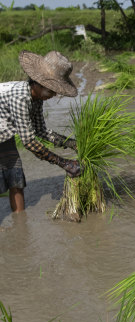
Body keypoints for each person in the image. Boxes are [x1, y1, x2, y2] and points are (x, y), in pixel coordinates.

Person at [0, 50, 82, 213]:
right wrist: (64, 163)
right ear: (37, 83)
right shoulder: (20, 97)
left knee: (15, 176)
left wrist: (72, 143)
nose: (53, 95)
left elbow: (41, 131)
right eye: (51, 91)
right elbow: (29, 142)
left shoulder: (36, 99)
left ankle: (20, 223)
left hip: (3, 133)